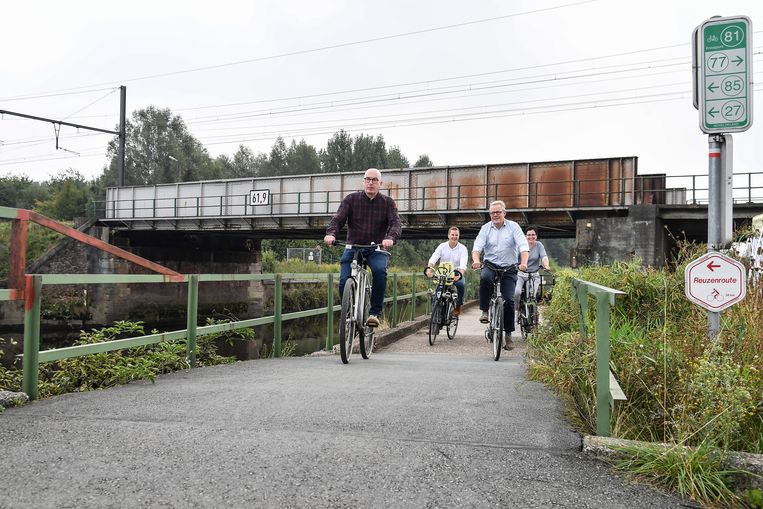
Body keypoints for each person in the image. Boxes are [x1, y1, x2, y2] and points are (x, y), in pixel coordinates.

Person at [324, 168, 402, 327]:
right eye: (368, 179)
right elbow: (337, 220)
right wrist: (331, 234)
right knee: (343, 281)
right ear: (363, 181)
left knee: (380, 272)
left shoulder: (388, 203)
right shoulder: (351, 200)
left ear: (380, 183)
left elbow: (396, 223)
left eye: (374, 180)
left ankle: (374, 313)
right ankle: (348, 310)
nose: (371, 183)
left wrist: (390, 238)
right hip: (353, 247)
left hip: (376, 248)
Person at [471, 200, 529, 349]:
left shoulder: (513, 227)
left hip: (509, 267)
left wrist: (524, 263)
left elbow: (523, 245)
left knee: (509, 300)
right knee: (485, 278)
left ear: (504, 213)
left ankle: (508, 335)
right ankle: (484, 310)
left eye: (498, 212)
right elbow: (477, 246)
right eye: (492, 213)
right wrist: (476, 260)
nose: (495, 215)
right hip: (491, 264)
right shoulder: (485, 228)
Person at [425, 226, 468, 316]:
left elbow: (463, 264)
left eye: (456, 235)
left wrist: (460, 275)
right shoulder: (442, 246)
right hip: (443, 273)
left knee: (461, 285)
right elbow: (434, 258)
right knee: (437, 292)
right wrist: (429, 269)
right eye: (452, 235)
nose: (454, 237)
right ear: (448, 235)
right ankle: (435, 314)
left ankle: (458, 306)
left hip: (456, 273)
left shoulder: (463, 248)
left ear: (459, 236)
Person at [514, 225, 551, 313]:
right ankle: (516, 309)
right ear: (525, 236)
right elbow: (514, 258)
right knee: (517, 293)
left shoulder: (539, 245)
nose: (531, 237)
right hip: (520, 274)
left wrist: (546, 265)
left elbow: (544, 256)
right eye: (529, 235)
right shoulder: (520, 246)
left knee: (532, 295)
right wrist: (516, 265)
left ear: (536, 236)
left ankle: (531, 314)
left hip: (533, 275)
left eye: (533, 235)